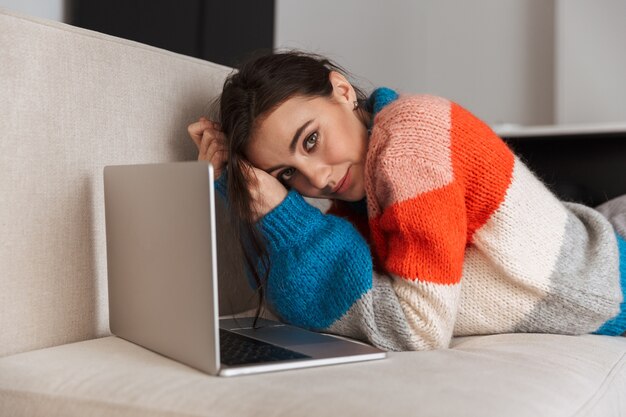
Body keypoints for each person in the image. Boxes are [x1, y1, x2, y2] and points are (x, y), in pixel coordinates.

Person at [187, 50, 626, 351]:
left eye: (312, 139)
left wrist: (289, 220)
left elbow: (419, 329)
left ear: (341, 90)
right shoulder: (360, 198)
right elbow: (280, 305)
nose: (316, 178)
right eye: (287, 175)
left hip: (612, 273)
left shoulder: (410, 140)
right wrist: (243, 192)